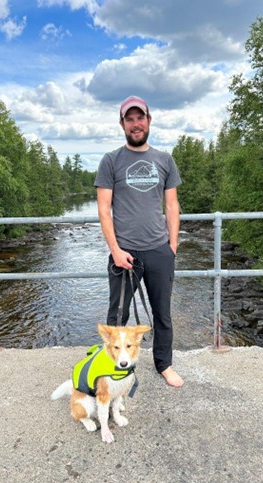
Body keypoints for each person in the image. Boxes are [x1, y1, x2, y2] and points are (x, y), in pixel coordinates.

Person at [94, 95, 184, 388]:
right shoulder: (111, 160)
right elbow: (103, 209)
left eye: (140, 118)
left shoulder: (164, 160)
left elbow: (172, 205)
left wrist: (171, 247)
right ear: (122, 124)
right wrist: (115, 250)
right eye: (129, 119)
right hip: (124, 252)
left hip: (159, 249)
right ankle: (112, 366)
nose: (136, 124)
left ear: (149, 120)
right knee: (116, 316)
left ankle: (164, 365)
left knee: (162, 313)